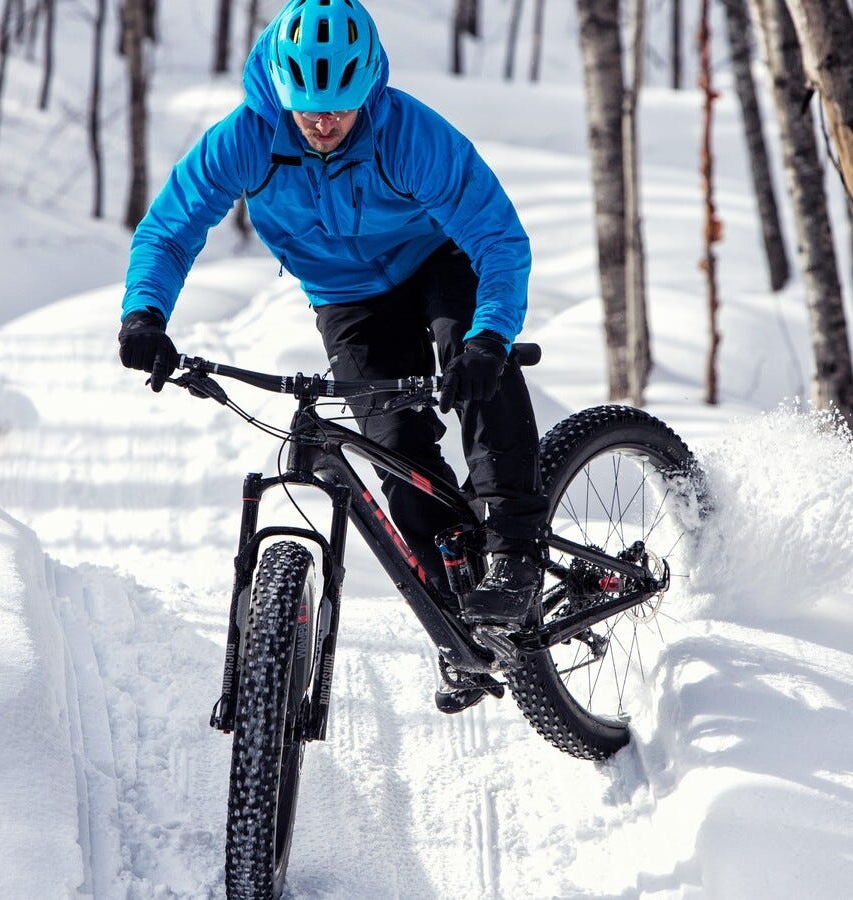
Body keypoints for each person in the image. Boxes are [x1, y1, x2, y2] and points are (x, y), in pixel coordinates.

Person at [118, 0, 549, 713]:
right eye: (309, 109)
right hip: (347, 297)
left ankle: (515, 541)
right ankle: (460, 614)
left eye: (340, 109)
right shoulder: (248, 138)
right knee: (393, 442)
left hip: (435, 261)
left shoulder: (408, 133)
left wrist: (490, 335)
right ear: (280, 92)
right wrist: (144, 315)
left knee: (473, 363)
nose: (323, 124)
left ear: (368, 87)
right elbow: (170, 229)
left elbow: (498, 238)